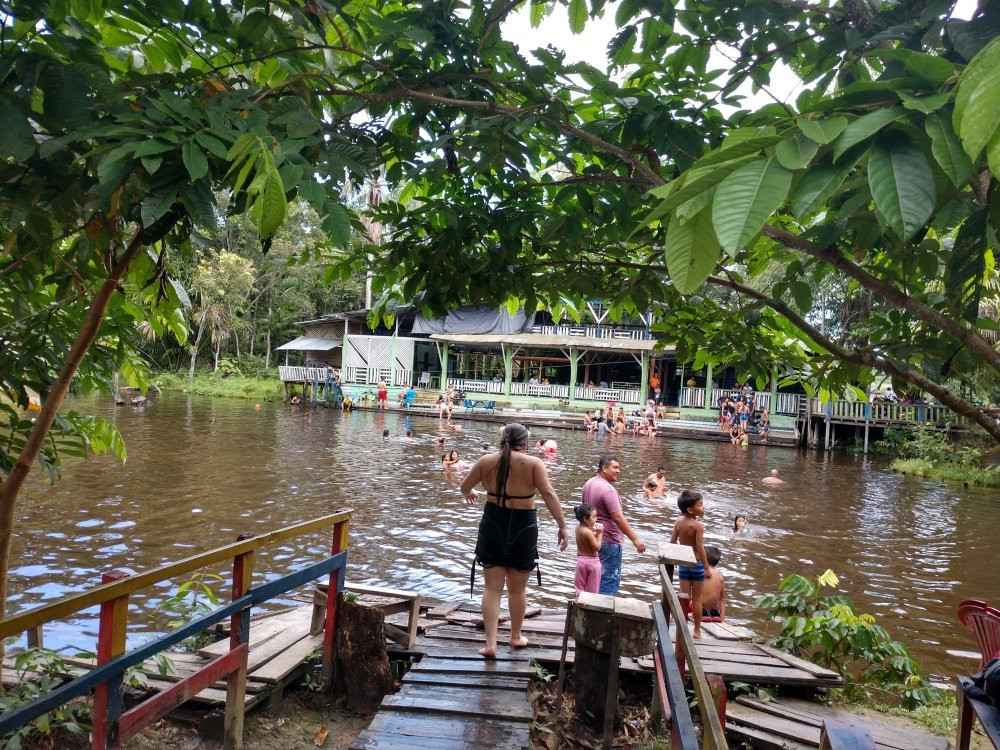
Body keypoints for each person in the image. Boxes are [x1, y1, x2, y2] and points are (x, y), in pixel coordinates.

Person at [460, 423, 568, 657]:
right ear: (526, 443)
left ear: (502, 441)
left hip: (493, 521)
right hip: (524, 524)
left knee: (491, 587)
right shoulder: (533, 463)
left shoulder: (485, 461)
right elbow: (549, 494)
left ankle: (490, 644)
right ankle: (515, 636)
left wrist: (471, 493)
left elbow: (464, 487)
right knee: (517, 590)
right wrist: (562, 526)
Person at [581, 455, 647, 595]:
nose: (618, 471)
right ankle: (603, 615)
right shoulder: (608, 489)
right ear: (604, 468)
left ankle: (590, 613)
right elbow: (617, 516)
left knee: (592, 579)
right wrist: (635, 539)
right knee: (608, 581)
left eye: (619, 467)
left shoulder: (589, 483)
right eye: (615, 467)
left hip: (591, 537)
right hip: (608, 540)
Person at [670, 489, 712, 639]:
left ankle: (683, 628)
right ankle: (697, 630)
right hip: (697, 565)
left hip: (683, 564)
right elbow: (700, 548)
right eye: (700, 505)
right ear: (690, 509)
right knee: (697, 599)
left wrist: (673, 559)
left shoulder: (678, 522)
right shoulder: (698, 526)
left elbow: (673, 542)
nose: (703, 508)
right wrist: (707, 568)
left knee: (684, 597)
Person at [573, 503, 603, 596]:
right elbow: (597, 547)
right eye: (594, 517)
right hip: (592, 563)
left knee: (579, 588)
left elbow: (585, 538)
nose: (596, 519)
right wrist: (599, 533)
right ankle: (589, 606)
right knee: (592, 591)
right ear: (585, 519)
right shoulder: (588, 532)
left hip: (581, 562)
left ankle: (579, 603)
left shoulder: (578, 529)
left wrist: (594, 534)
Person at [698, 546, 725, 619]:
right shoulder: (720, 575)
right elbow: (722, 599)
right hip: (714, 614)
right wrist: (722, 618)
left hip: (700, 612)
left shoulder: (701, 572)